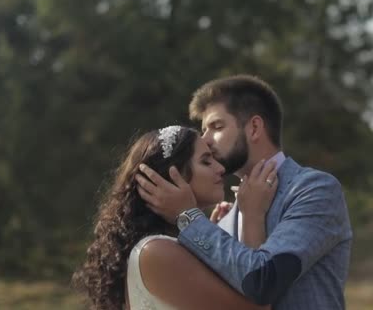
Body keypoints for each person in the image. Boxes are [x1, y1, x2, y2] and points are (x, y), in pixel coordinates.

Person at [137, 75, 352, 309]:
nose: (205, 140)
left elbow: (264, 282)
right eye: (204, 130)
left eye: (217, 127)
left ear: (254, 128)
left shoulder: (313, 190)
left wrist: (188, 216)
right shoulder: (222, 219)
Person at [72, 126, 278, 310]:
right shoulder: (155, 251)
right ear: (171, 178)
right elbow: (257, 305)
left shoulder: (169, 247)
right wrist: (253, 215)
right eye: (206, 161)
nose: (221, 168)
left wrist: (207, 232)